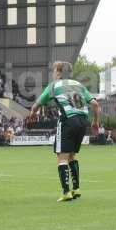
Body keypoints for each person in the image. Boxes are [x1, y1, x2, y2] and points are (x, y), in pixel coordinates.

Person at [29, 61, 100, 202]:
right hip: (82, 121)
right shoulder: (78, 86)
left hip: (68, 121)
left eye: (54, 71)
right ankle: (76, 189)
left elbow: (36, 105)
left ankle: (66, 192)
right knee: (72, 155)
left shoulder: (54, 86)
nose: (53, 74)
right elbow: (95, 104)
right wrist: (96, 122)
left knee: (62, 157)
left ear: (59, 72)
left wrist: (32, 115)